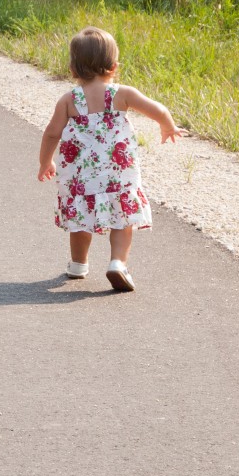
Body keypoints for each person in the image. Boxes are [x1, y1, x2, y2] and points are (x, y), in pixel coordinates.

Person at [35, 26, 184, 292]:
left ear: (73, 69)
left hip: (82, 177)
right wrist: (168, 126)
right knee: (122, 218)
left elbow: (51, 133)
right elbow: (157, 109)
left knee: (81, 217)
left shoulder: (69, 100)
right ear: (114, 66)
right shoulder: (122, 94)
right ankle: (118, 262)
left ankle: (79, 264)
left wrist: (45, 162)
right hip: (118, 173)